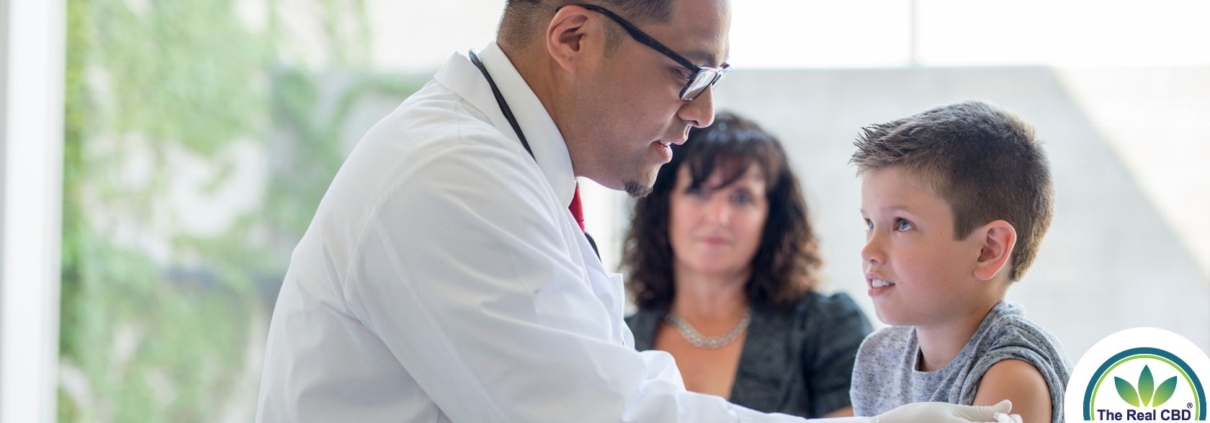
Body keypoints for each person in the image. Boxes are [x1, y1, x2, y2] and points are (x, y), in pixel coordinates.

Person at [254, 0, 1018, 421]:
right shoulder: (450, 177)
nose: (706, 110)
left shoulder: (508, 168)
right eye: (689, 72)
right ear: (575, 37)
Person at [623, 112, 872, 418]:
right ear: (664, 206)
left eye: (741, 198)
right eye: (699, 192)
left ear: (772, 218)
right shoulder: (617, 335)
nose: (718, 217)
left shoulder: (827, 326)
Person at [847, 101, 1073, 423]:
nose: (869, 250)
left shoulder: (1012, 374)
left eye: (902, 224)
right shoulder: (878, 357)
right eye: (869, 223)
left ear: (988, 250)